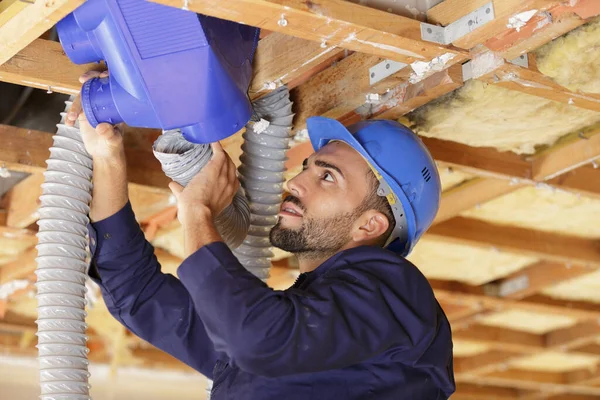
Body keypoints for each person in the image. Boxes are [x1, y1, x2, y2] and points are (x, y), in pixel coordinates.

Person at [68, 71, 455, 399]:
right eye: (307, 167)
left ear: (369, 225)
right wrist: (106, 155)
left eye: (327, 177)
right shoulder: (287, 335)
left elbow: (251, 336)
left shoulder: (395, 294)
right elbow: (138, 294)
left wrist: (198, 215)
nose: (296, 182)